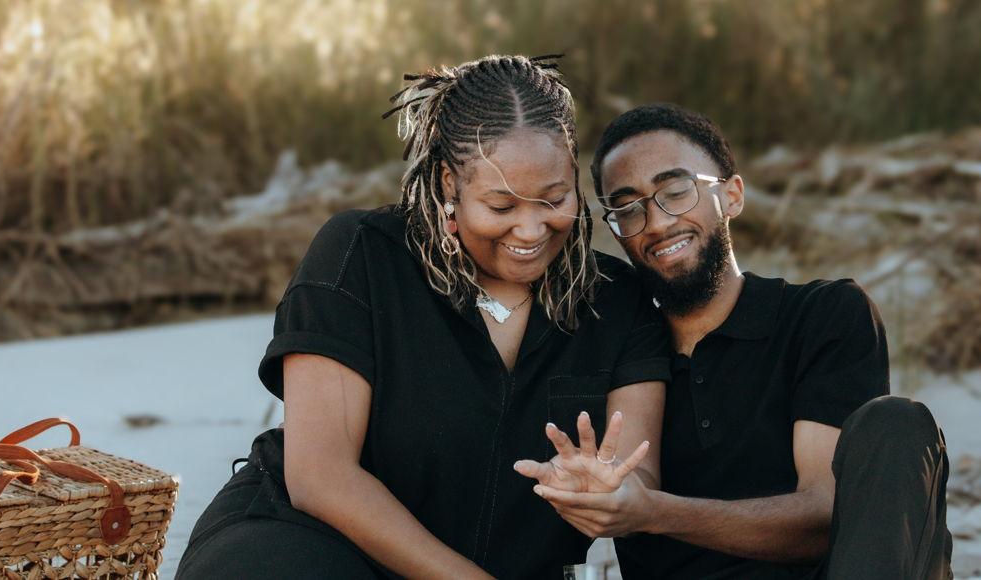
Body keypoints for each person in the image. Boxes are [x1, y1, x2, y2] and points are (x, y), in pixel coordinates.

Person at [175, 55, 669, 579]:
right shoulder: (362, 256)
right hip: (307, 549)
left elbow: (640, 478)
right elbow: (320, 478)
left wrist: (612, 494)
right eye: (501, 207)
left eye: (554, 199)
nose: (530, 230)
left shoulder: (617, 302)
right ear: (448, 185)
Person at [520, 104, 952, 579]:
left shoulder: (823, 315)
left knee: (896, 423)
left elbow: (826, 517)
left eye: (676, 192)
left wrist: (653, 511)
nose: (656, 223)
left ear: (732, 196)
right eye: (628, 208)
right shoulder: (619, 350)